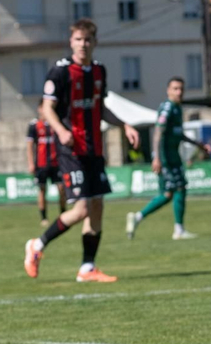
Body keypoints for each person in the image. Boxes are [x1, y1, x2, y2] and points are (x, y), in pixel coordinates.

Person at [23, 19, 140, 283]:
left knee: (97, 207)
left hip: (94, 149)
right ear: (71, 42)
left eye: (87, 40)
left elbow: (101, 108)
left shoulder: (99, 71)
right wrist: (61, 132)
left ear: (94, 43)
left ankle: (88, 268)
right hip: (70, 149)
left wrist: (124, 125)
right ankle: (37, 245)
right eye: (78, 39)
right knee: (81, 210)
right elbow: (48, 108)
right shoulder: (60, 72)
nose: (83, 45)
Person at [127, 77, 211, 242]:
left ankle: (138, 217)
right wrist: (156, 157)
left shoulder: (177, 108)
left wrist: (198, 144)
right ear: (168, 90)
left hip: (174, 157)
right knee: (178, 188)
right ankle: (178, 230)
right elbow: (158, 131)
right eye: (175, 89)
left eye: (181, 89)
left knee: (168, 194)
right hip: (165, 158)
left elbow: (178, 134)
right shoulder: (167, 107)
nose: (179, 92)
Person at [26, 115, 67, 226]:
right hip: (41, 164)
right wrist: (30, 163)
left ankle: (64, 215)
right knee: (42, 190)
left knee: (62, 189)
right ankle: (44, 218)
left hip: (56, 163)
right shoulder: (34, 125)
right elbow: (30, 145)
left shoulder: (56, 124)